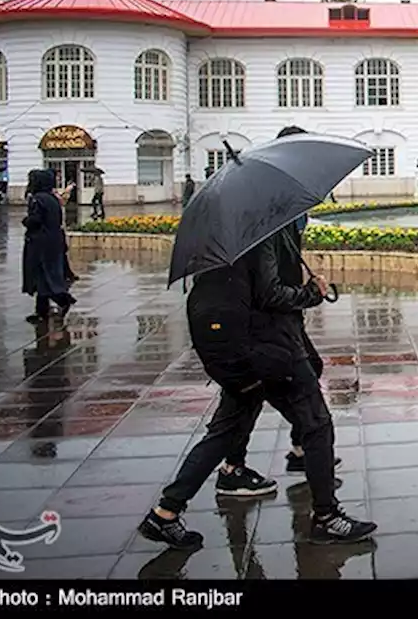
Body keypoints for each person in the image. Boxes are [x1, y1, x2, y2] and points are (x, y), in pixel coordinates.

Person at [138, 234, 376, 549]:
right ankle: (327, 517)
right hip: (270, 350)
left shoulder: (222, 236)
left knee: (224, 432)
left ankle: (165, 513)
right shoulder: (262, 233)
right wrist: (309, 293)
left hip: (238, 351)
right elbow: (270, 294)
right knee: (316, 425)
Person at [224, 125, 333, 477]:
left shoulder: (291, 201)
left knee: (296, 373)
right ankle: (234, 465)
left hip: (283, 309)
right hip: (266, 313)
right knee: (248, 394)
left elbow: (287, 253)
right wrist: (305, 294)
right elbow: (265, 275)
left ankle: (300, 445)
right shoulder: (268, 206)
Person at [22, 169, 75, 322]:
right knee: (46, 274)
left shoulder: (37, 199)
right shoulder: (52, 198)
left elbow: (36, 220)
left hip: (40, 242)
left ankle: (63, 300)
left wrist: (26, 221)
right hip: (54, 240)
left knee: (42, 274)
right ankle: (41, 311)